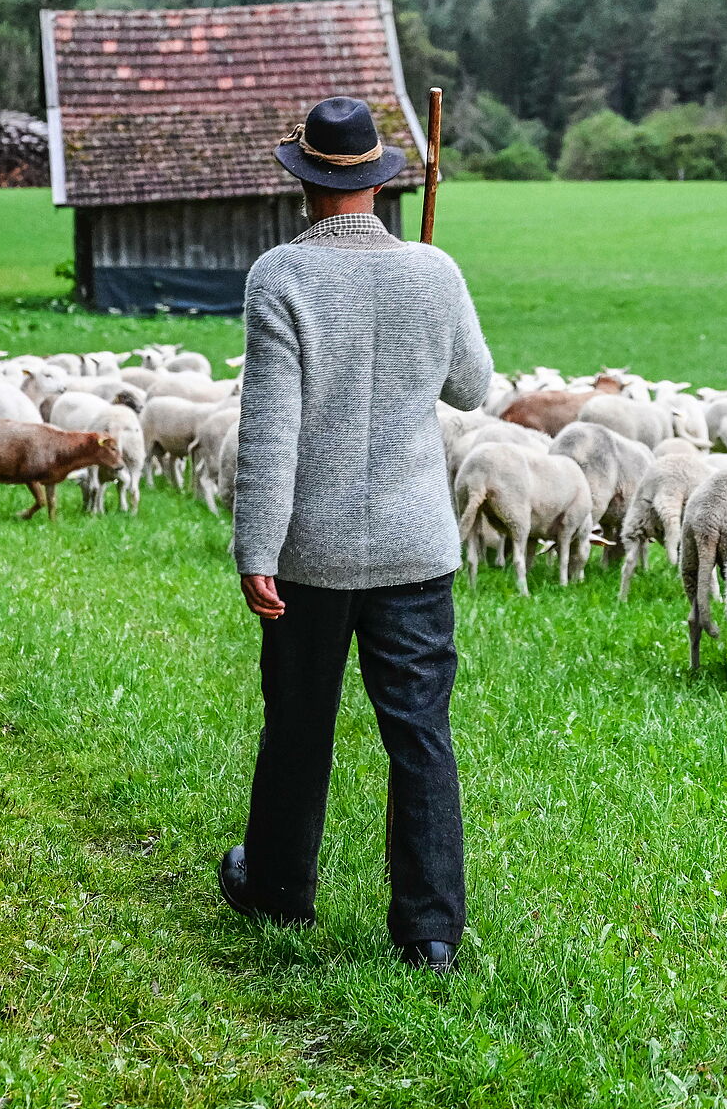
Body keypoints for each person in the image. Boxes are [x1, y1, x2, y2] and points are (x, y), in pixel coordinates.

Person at [218, 95, 493, 973]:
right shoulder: (434, 270)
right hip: (416, 546)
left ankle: (278, 888)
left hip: (311, 551)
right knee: (420, 731)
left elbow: (271, 431)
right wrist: (430, 296)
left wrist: (256, 550)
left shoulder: (281, 277)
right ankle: (430, 932)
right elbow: (472, 388)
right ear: (377, 180)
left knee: (298, 721)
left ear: (304, 182)